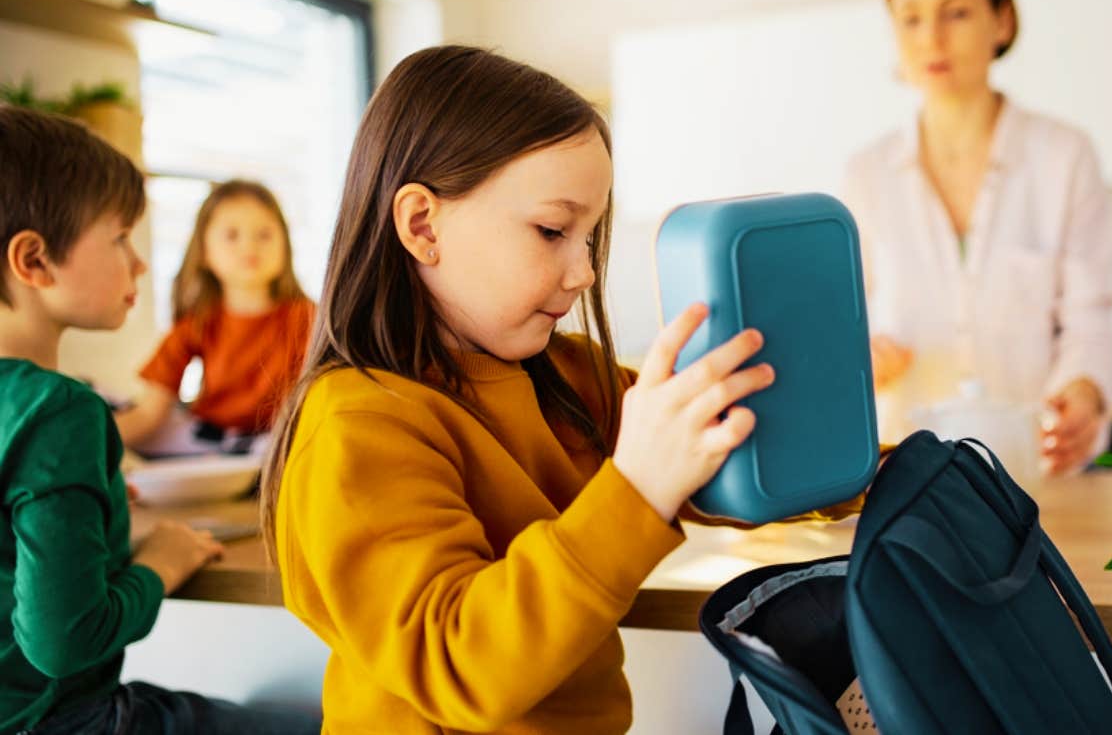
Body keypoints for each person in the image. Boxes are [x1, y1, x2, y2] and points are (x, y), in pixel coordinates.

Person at [260, 45, 872, 733]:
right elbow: (459, 660)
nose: (584, 271)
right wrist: (636, 487)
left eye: (590, 236)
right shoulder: (357, 426)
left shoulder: (569, 375)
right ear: (423, 225)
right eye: (553, 230)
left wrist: (875, 467)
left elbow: (723, 449)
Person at [0, 105, 319, 734]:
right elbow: (63, 641)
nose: (139, 263)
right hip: (62, 719)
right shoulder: (60, 410)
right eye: (119, 238)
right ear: (35, 261)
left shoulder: (302, 316)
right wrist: (164, 561)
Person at [845, 0, 1112, 476]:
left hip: (1034, 474)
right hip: (903, 479)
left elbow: (1088, 317)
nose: (931, 37)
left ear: (1003, 21)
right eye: (910, 19)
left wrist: (1085, 390)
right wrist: (861, 362)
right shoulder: (866, 174)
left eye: (957, 12)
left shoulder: (1064, 156)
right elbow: (840, 331)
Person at [115, 180, 314, 456]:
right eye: (232, 235)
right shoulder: (198, 322)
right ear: (204, 252)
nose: (249, 246)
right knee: (99, 401)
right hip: (210, 435)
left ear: (285, 245)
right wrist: (78, 436)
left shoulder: (308, 318)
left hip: (281, 439)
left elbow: (316, 400)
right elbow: (150, 413)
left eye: (265, 234)